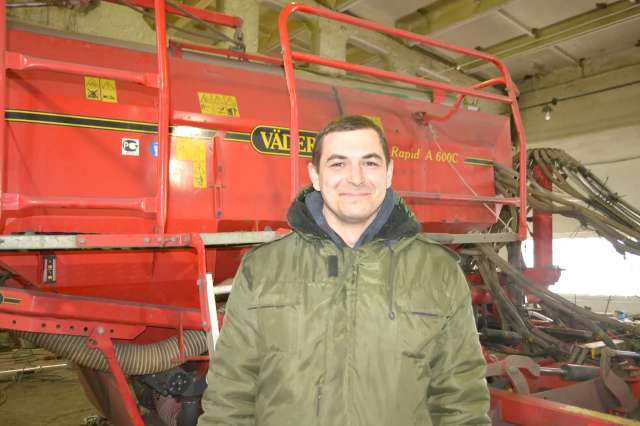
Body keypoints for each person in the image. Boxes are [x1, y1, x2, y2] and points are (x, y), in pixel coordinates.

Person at [199, 115, 490, 425]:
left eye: (370, 163)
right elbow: (229, 397)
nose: (356, 178)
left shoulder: (438, 272)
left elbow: (461, 404)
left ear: (389, 173)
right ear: (315, 175)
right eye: (338, 164)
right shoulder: (263, 269)